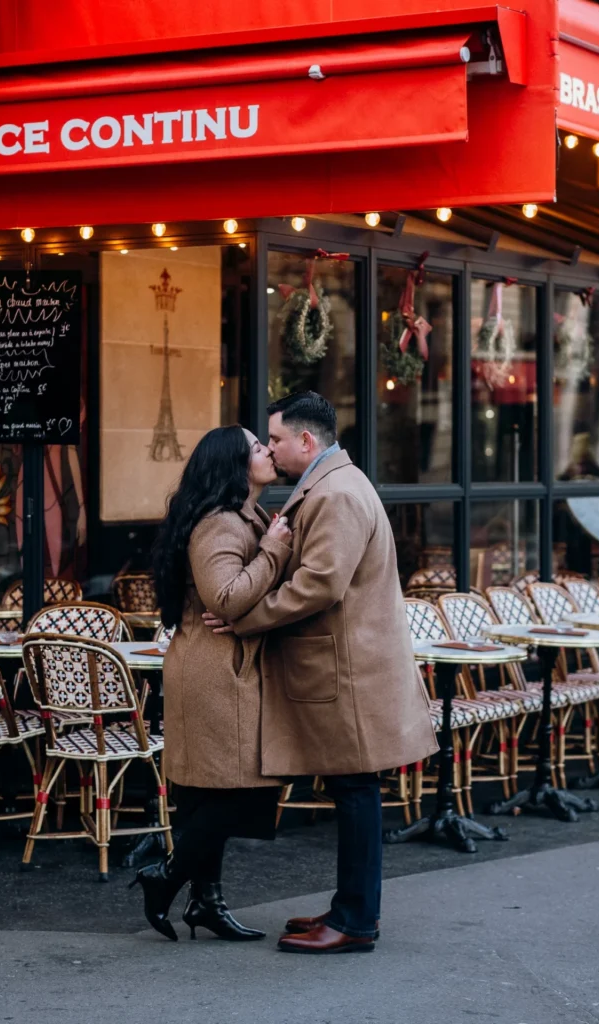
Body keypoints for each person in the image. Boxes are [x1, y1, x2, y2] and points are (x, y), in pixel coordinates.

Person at [204, 392, 438, 954]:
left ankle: (355, 921)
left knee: (356, 791)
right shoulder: (333, 484)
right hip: (344, 668)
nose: (272, 448)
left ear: (306, 442)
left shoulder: (334, 492)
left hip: (348, 672)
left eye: (277, 439)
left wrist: (244, 619)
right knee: (353, 788)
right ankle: (350, 908)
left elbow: (319, 584)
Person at [130, 424, 292, 942]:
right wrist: (271, 551)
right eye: (256, 447)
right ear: (233, 464)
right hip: (216, 674)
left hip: (217, 668)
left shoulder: (244, 514)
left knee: (207, 793)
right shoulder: (222, 524)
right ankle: (166, 878)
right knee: (235, 790)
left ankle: (207, 902)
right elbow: (225, 597)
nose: (267, 450)